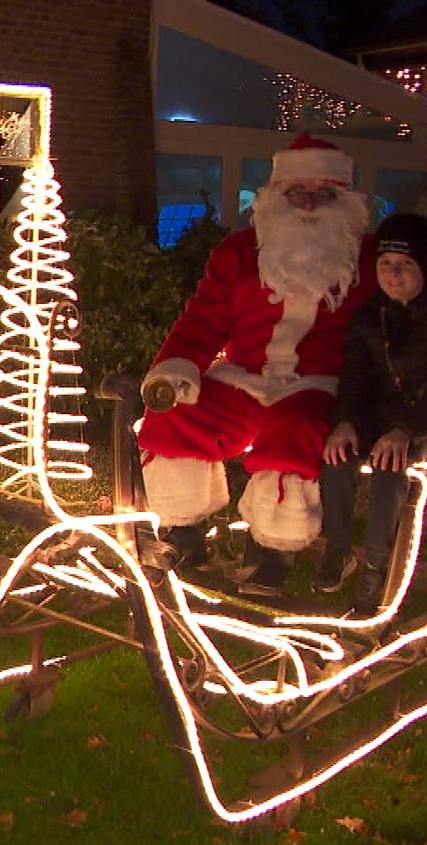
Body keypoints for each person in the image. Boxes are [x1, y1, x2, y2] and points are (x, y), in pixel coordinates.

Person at [137, 133, 377, 595]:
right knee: (175, 416)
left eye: (322, 195)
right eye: (296, 193)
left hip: (318, 386)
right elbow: (204, 320)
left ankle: (273, 552)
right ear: (275, 198)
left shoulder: (369, 258)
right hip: (244, 380)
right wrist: (177, 368)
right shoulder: (241, 252)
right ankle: (185, 533)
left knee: (294, 432)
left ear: (343, 201)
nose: (308, 204)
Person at [314, 213, 427, 615]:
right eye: (386, 264)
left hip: (422, 421)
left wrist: (407, 430)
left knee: (389, 465)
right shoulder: (369, 315)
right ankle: (338, 549)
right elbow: (354, 375)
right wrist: (344, 421)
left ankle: (375, 569)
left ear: (423, 266)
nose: (394, 274)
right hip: (375, 416)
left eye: (405, 265)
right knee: (336, 455)